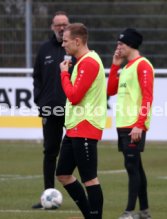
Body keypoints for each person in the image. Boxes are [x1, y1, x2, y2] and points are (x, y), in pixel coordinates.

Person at [56, 23, 107, 219]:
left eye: (66, 41)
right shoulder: (83, 61)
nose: (63, 45)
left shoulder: (89, 63)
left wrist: (63, 74)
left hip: (85, 126)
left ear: (77, 41)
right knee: (62, 174)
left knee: (90, 180)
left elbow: (74, 95)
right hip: (74, 127)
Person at [107, 28, 154, 219]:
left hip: (134, 126)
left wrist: (140, 125)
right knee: (136, 167)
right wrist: (114, 66)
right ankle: (144, 211)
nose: (118, 47)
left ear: (131, 45)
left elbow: (147, 97)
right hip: (123, 125)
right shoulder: (126, 67)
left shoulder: (143, 65)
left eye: (121, 44)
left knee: (131, 166)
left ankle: (129, 212)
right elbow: (110, 91)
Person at [32, 11, 74, 209]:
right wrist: (39, 100)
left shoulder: (75, 49)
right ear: (52, 27)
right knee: (50, 152)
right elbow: (37, 78)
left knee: (77, 151)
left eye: (64, 24)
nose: (61, 28)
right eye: (58, 25)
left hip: (73, 109)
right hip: (50, 110)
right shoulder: (44, 50)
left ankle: (80, 194)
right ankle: (47, 195)